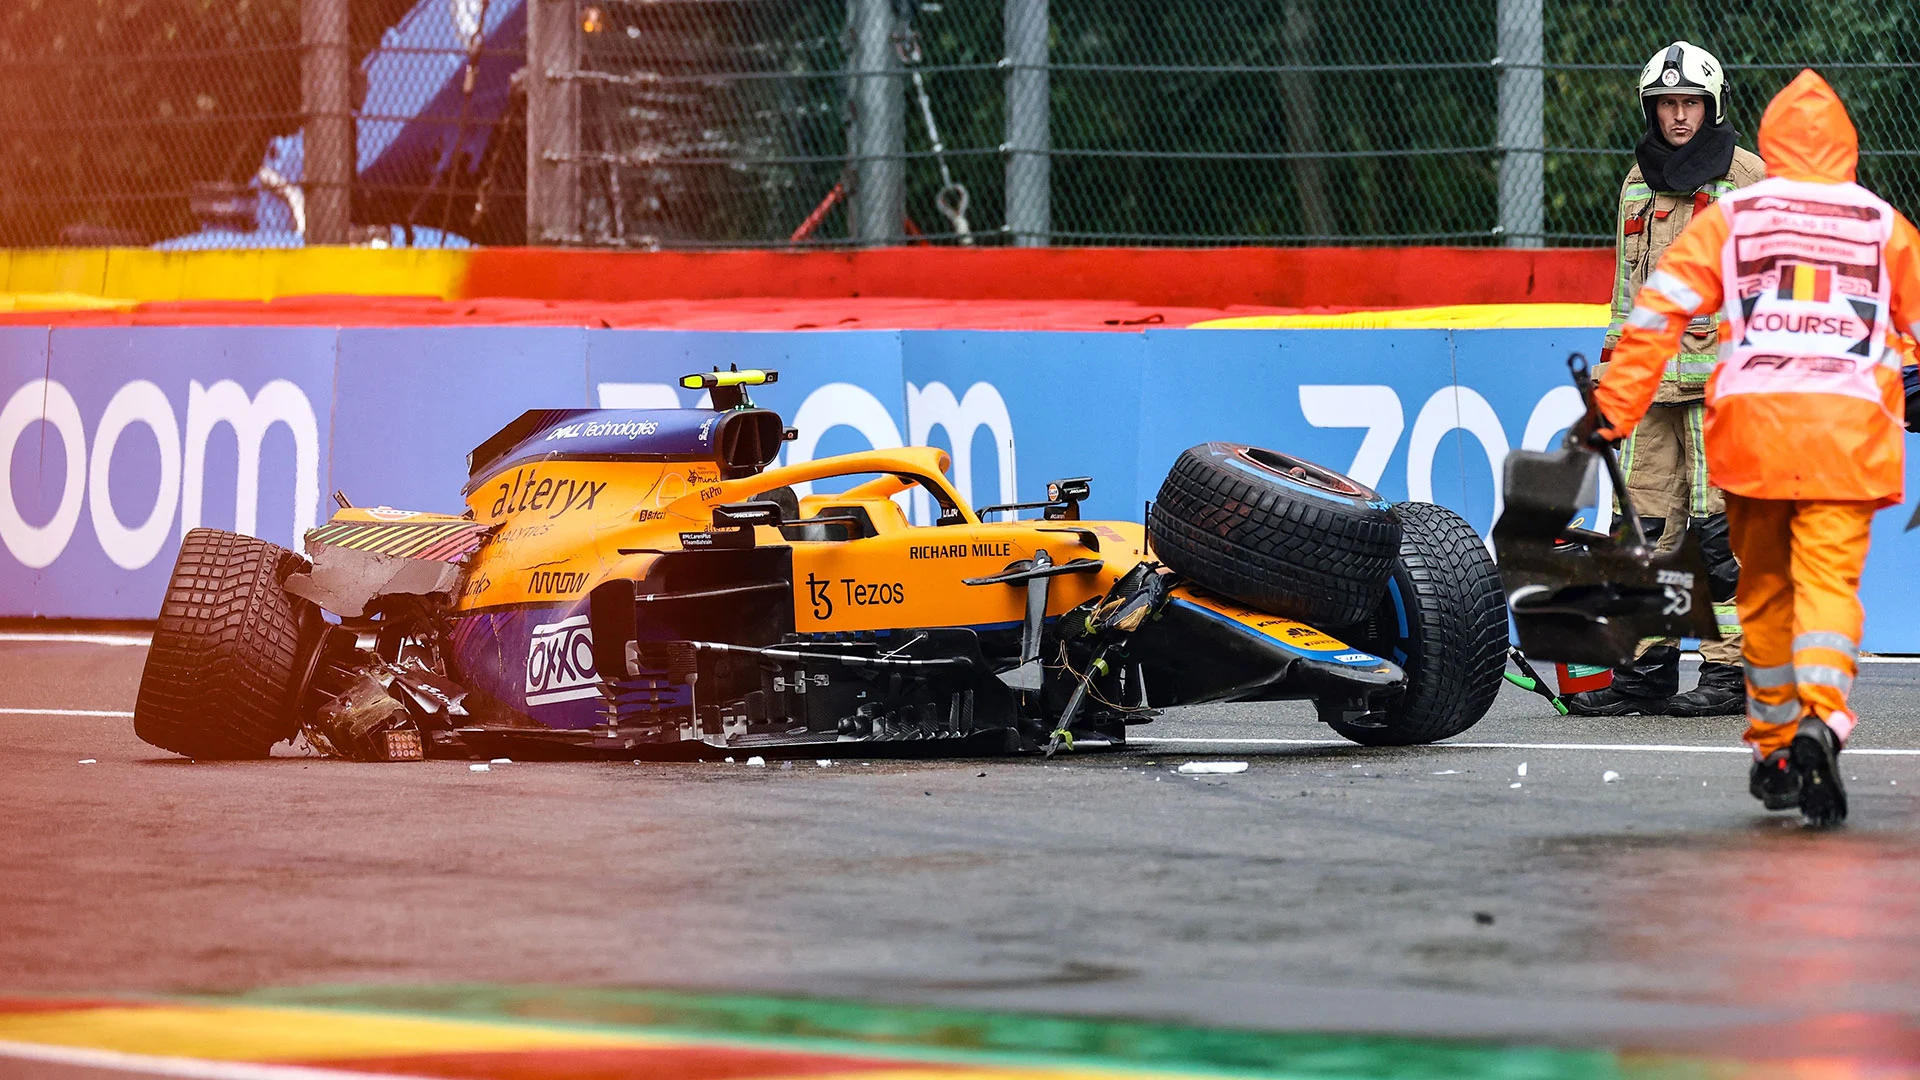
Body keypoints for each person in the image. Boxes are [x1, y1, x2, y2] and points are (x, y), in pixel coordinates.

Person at [1584, 69, 1920, 825]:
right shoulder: (1881, 223)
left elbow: (1656, 309)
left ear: (1768, 139)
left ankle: (1772, 747)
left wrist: (1613, 406)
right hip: (1847, 442)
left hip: (1753, 435)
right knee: (1826, 590)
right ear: (1846, 146)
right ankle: (1820, 718)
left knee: (1762, 591)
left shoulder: (1737, 215)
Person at [1567, 42, 1767, 718]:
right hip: (1650, 388)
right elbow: (1626, 297)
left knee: (1719, 534)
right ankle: (1646, 669)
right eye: (1666, 103)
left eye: (1691, 103)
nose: (1679, 116)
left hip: (1720, 390)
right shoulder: (1636, 182)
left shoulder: (1746, 179)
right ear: (1649, 109)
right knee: (1641, 528)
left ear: (1713, 107)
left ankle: (1730, 672)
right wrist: (1611, 384)